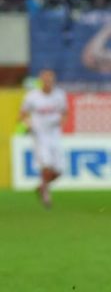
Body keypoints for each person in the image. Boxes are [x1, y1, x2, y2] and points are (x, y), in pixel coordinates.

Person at [19, 69, 68, 208]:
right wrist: (28, 124)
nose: (48, 83)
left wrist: (62, 122)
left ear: (53, 81)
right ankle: (46, 195)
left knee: (58, 171)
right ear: (41, 81)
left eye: (50, 80)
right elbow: (22, 114)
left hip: (54, 134)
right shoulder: (32, 96)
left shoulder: (59, 95)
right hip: (40, 135)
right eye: (45, 80)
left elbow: (65, 112)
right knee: (46, 165)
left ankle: (42, 186)